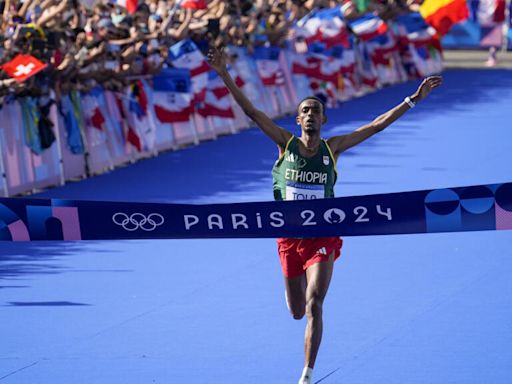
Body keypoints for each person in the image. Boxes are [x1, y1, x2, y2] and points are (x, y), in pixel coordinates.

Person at [207, 46, 442, 384]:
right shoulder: (285, 144)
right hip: (289, 238)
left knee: (315, 303)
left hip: (322, 236)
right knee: (296, 310)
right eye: (306, 111)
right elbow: (252, 112)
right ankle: (295, 298)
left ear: (324, 119)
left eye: (316, 110)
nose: (311, 114)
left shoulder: (333, 149)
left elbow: (375, 126)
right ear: (298, 120)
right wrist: (223, 73)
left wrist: (413, 99)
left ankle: (306, 373)